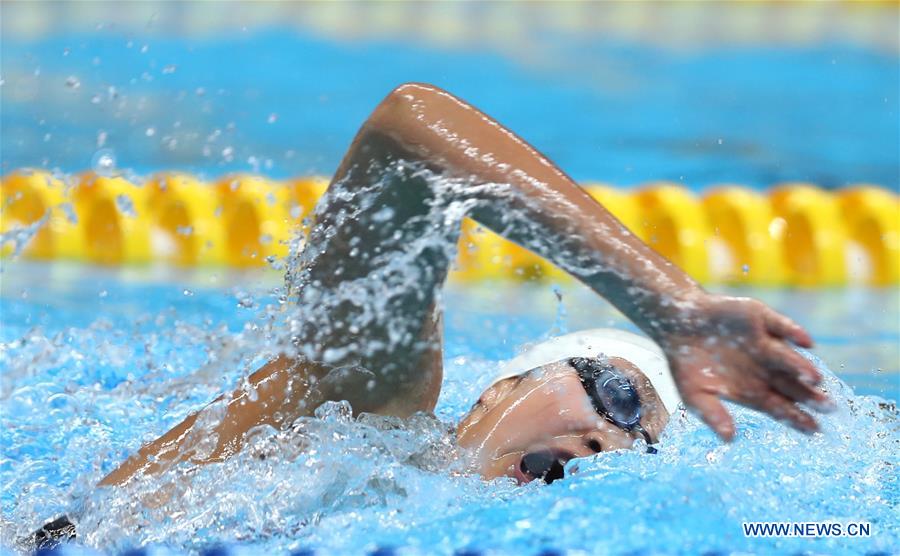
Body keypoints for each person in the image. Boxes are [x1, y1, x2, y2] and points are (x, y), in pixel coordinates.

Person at [29, 81, 834, 547]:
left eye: (640, 443)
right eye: (615, 395)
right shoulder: (364, 409)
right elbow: (410, 129)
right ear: (497, 390)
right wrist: (671, 307)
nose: (611, 440)